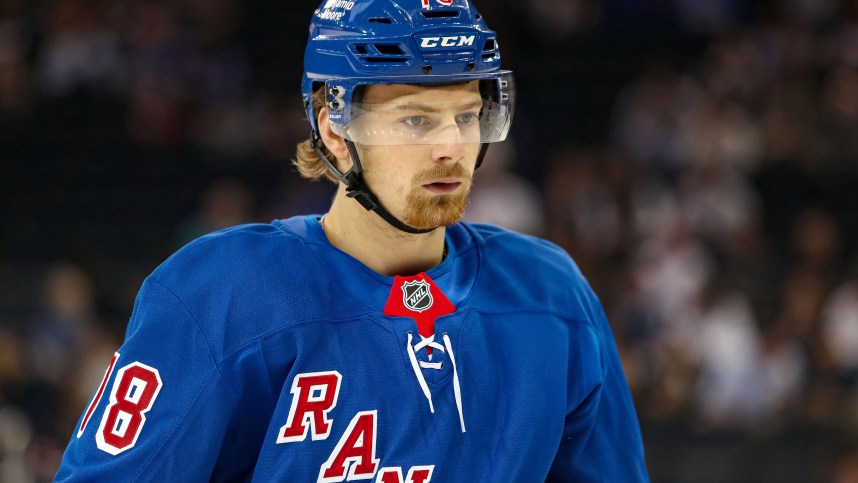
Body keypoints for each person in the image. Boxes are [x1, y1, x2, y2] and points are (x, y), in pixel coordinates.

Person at [56, 0, 648, 481]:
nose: (450, 146)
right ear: (334, 130)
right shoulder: (222, 293)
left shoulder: (550, 294)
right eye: (416, 119)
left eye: (466, 115)